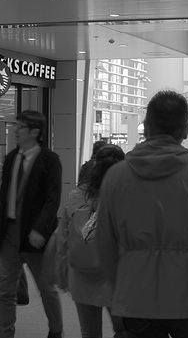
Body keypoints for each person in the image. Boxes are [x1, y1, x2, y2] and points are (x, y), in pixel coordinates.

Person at [97, 90, 188, 337]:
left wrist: (118, 293)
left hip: (136, 296)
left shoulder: (116, 177)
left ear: (146, 127)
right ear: (185, 130)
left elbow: (105, 242)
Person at [0, 110, 64, 338]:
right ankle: (5, 333)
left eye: (21, 126)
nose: (15, 130)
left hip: (35, 236)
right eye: (15, 126)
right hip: (9, 235)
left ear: (35, 132)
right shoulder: (10, 159)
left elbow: (53, 198)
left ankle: (56, 331)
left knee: (46, 288)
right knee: (4, 290)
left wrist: (39, 228)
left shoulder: (50, 160)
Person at [61, 144, 127, 338]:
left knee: (89, 332)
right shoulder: (126, 195)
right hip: (117, 274)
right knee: (124, 329)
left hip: (83, 272)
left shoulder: (75, 196)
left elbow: (71, 234)